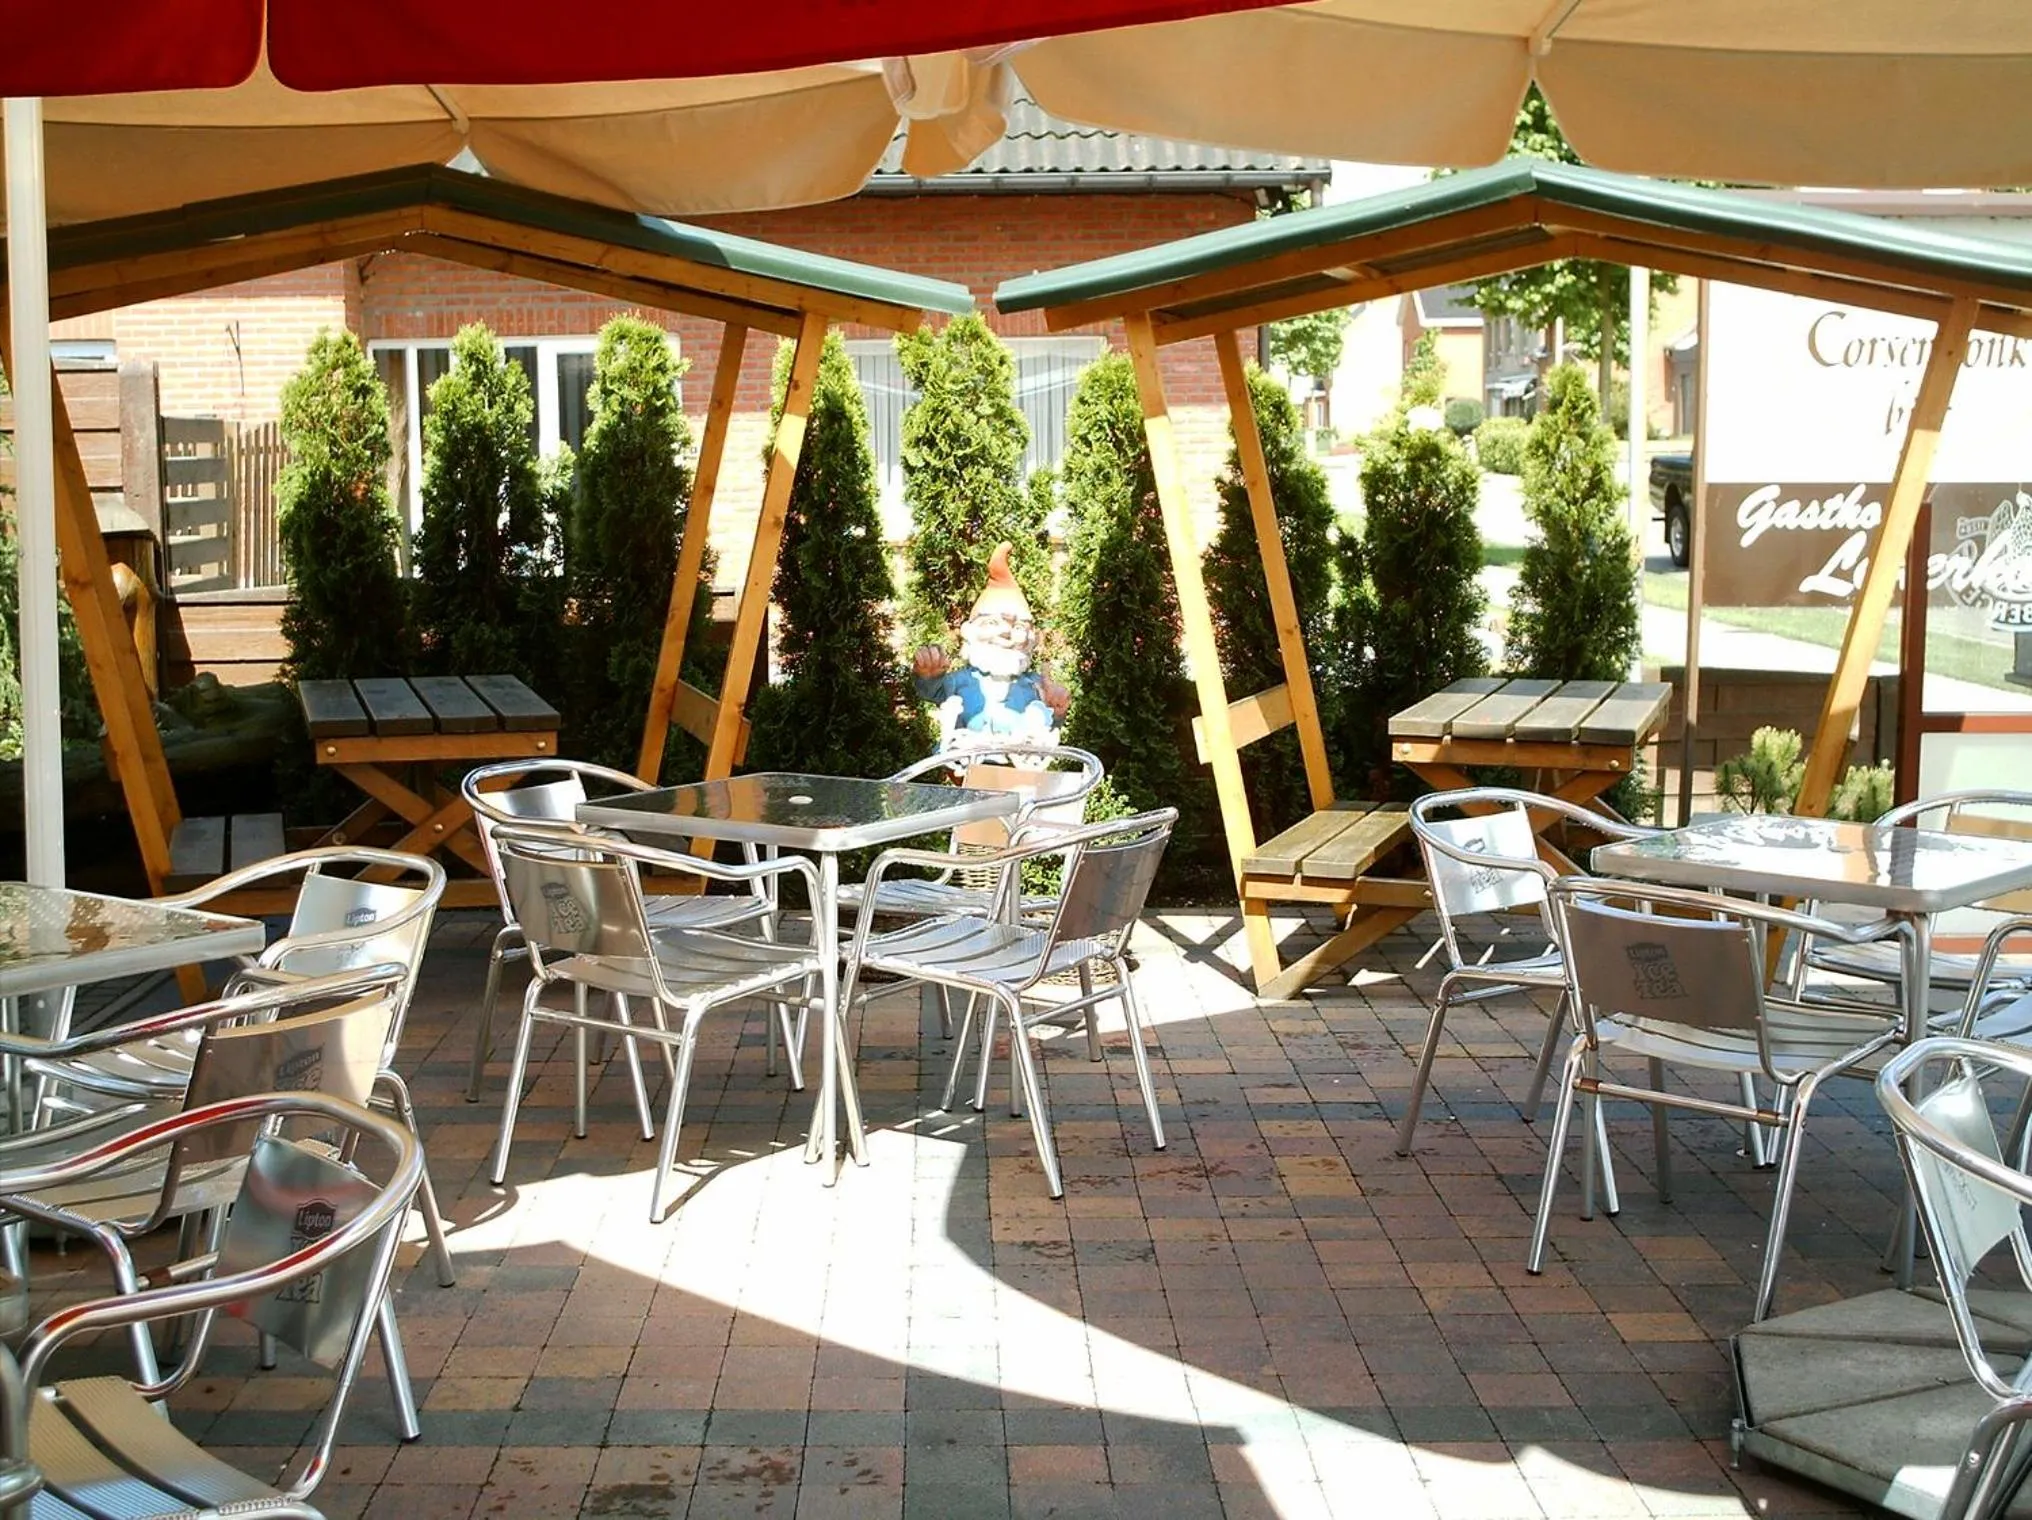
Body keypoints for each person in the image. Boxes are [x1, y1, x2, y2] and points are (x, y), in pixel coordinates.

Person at [911, 542, 1069, 746]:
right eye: (993, 623)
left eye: (1018, 627)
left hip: (1020, 767)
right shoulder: (961, 681)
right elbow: (932, 692)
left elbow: (1049, 726)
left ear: (1032, 638)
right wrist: (928, 677)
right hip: (968, 764)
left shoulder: (1035, 685)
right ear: (970, 631)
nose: (1005, 633)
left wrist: (1056, 711)